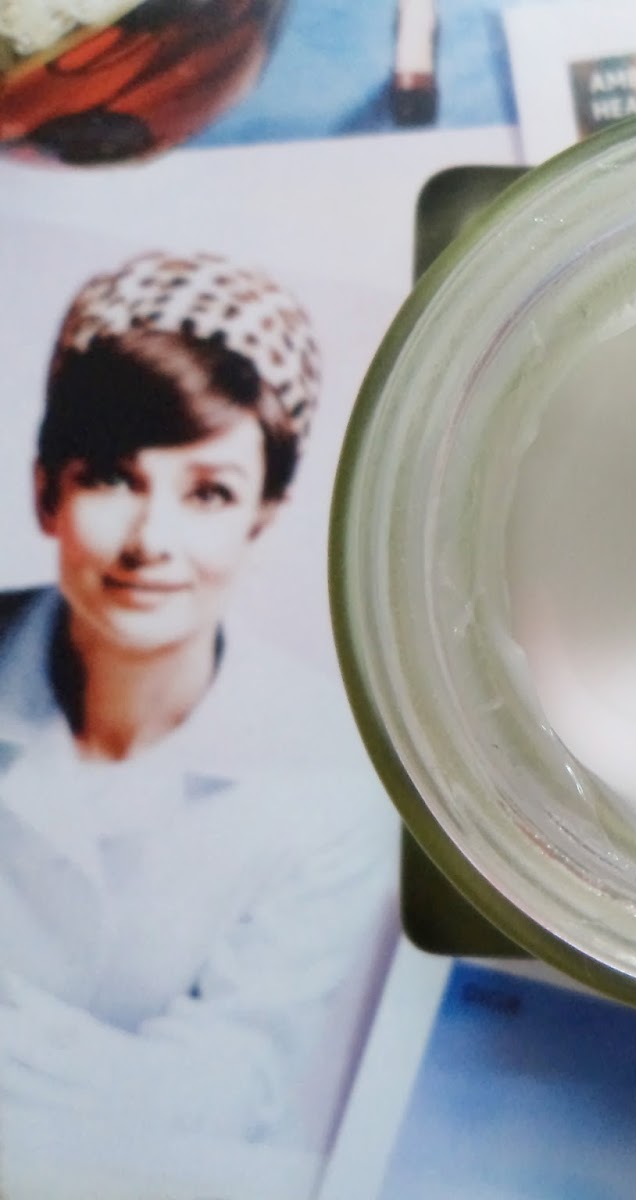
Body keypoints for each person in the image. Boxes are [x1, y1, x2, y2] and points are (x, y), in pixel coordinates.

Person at [0, 251, 396, 1149]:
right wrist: (116, 1078)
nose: (153, 540)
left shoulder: (337, 775)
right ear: (46, 490)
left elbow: (229, 1086)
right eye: (112, 477)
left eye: (209, 493)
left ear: (263, 518)